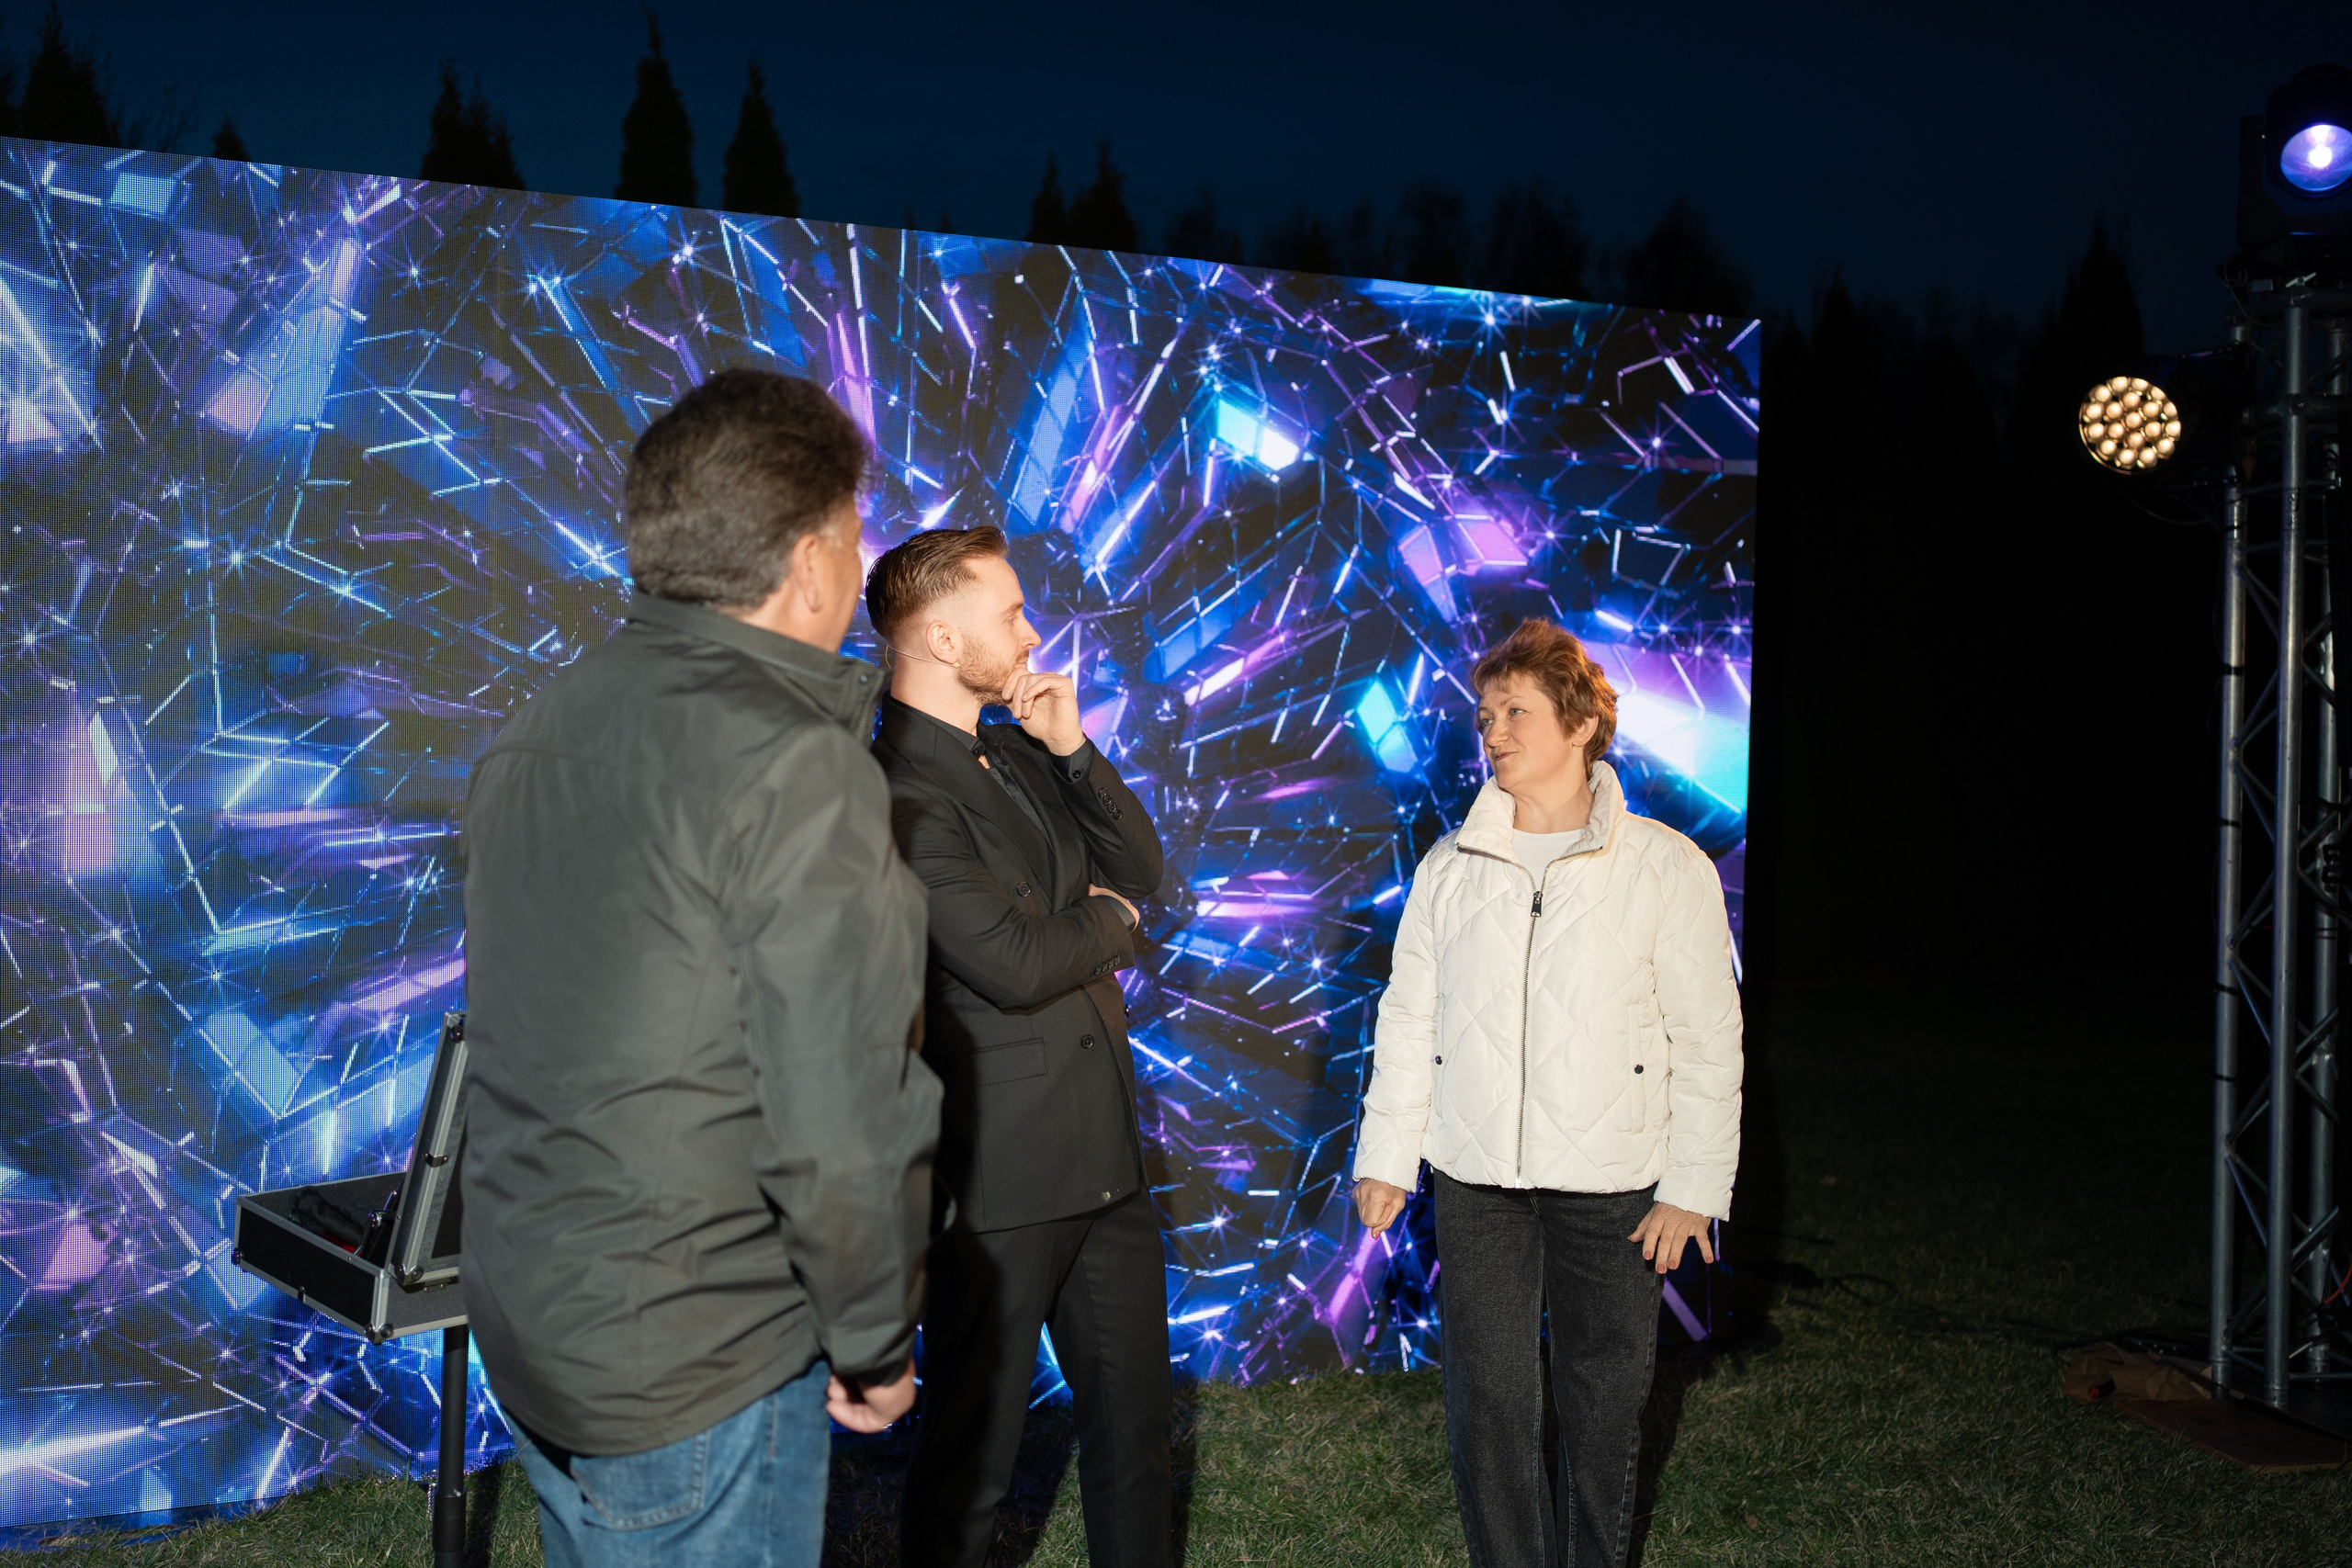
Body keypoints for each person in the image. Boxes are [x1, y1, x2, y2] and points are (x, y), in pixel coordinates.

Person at [460, 368, 941, 1568]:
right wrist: (876, 1342)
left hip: (541, 1329)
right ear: (816, 555)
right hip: (698, 1362)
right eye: (857, 528)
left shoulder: (542, 724)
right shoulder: (796, 767)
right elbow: (839, 1110)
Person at [1352, 617, 1742, 1568]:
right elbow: (1410, 1024)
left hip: (1615, 1182)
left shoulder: (1664, 867)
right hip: (1479, 1177)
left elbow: (1708, 1037)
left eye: (1516, 711)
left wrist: (1692, 1185)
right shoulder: (1449, 870)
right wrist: (1384, 1157)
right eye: (1486, 715)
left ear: (1579, 726)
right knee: (1487, 1399)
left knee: (1603, 1401)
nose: (1493, 732)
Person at [864, 525, 1171, 1568]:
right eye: (1010, 614)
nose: (1033, 632)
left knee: (1134, 1437)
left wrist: (1072, 749)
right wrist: (1113, 925)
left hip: (1103, 1165)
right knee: (969, 1464)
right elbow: (1008, 959)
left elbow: (1141, 865)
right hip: (996, 1182)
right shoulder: (894, 787)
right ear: (943, 640)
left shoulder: (1011, 747)